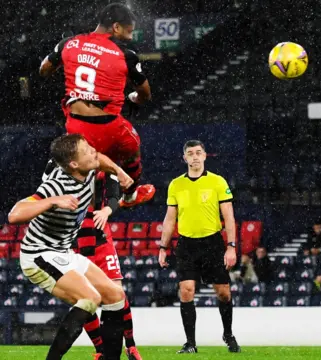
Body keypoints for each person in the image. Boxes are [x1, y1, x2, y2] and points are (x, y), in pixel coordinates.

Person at [7, 134, 133, 360]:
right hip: (39, 254)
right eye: (87, 151)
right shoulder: (56, 185)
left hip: (63, 251)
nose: (94, 151)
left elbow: (101, 159)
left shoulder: (87, 167)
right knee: (90, 298)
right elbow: (14, 215)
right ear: (73, 164)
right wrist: (53, 201)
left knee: (116, 295)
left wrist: (118, 171)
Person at [39, 3, 154, 208]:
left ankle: (56, 186)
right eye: (129, 31)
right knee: (132, 149)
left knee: (83, 177)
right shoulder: (126, 54)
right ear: (116, 27)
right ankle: (129, 196)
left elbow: (44, 70)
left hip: (75, 125)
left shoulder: (69, 43)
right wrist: (134, 98)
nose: (130, 36)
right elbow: (145, 93)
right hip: (108, 126)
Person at [158, 140, 240, 354]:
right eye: (190, 153)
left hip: (212, 243)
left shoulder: (218, 182)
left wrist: (231, 246)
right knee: (186, 291)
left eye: (198, 153)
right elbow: (169, 219)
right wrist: (162, 247)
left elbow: (229, 216)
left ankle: (228, 334)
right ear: (184, 158)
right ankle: (190, 343)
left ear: (205, 156)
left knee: (223, 292)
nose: (194, 157)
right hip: (186, 245)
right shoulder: (175, 184)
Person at [68, 169, 142, 360]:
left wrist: (107, 210)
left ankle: (131, 346)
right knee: (84, 299)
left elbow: (113, 195)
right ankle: (101, 350)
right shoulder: (62, 167)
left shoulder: (105, 169)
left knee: (117, 293)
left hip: (101, 241)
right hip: (75, 244)